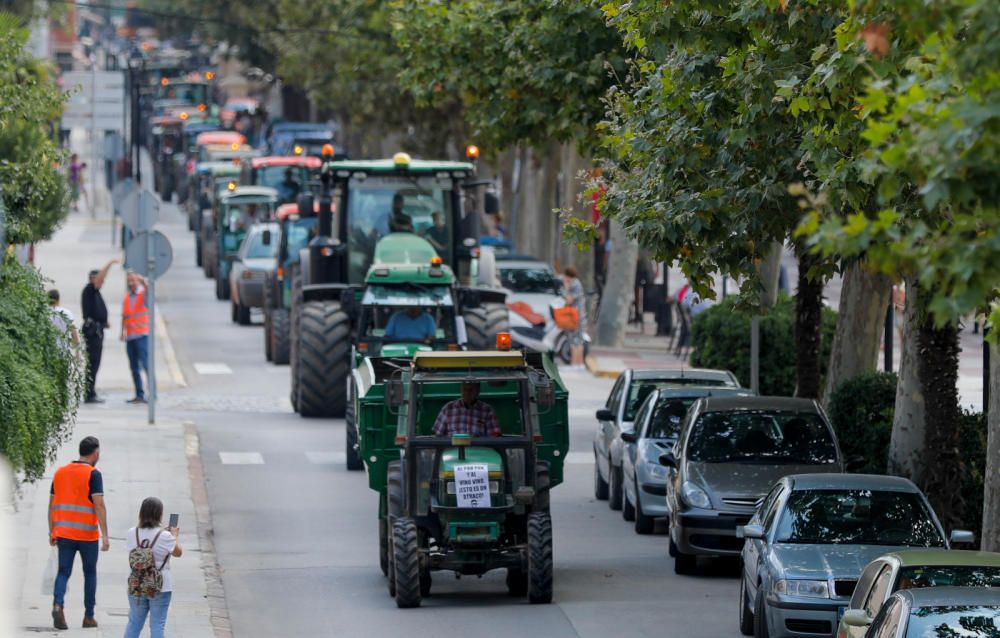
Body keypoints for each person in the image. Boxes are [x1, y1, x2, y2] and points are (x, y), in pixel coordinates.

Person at [49, 436, 109, 630]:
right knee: (90, 573)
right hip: (87, 536)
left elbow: (51, 506)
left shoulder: (60, 472)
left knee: (63, 572)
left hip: (64, 533)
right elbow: (99, 505)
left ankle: (58, 605)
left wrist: (52, 531)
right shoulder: (94, 474)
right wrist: (105, 535)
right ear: (95, 453)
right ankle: (89, 616)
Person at [123, 497, 183, 638]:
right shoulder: (166, 536)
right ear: (159, 514)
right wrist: (174, 536)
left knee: (134, 623)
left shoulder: (132, 532)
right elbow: (178, 552)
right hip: (160, 585)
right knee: (157, 624)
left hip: (137, 583)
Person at [82, 260, 117, 403]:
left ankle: (91, 390)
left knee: (95, 363)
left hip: (98, 330)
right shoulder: (89, 289)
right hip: (92, 332)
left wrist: (104, 322)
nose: (102, 282)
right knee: (92, 362)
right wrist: (109, 264)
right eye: (100, 280)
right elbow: (99, 279)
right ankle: (89, 393)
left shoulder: (95, 293)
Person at [121, 271, 150, 404]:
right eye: (129, 281)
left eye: (133, 280)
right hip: (131, 337)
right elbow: (125, 316)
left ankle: (152, 393)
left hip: (142, 335)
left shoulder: (142, 294)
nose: (131, 283)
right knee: (134, 368)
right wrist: (122, 331)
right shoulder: (127, 297)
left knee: (146, 365)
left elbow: (151, 293)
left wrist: (144, 282)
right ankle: (139, 394)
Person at [432, 382, 501, 437]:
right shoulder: (448, 408)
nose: (467, 393)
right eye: (465, 389)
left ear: (478, 391)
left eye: (471, 390)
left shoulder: (487, 410)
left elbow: (494, 437)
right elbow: (438, 435)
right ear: (461, 390)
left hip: (479, 452)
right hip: (452, 451)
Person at [562, 265, 587, 369]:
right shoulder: (577, 283)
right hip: (580, 316)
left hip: (575, 316)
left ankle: (574, 364)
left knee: (574, 341)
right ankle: (579, 364)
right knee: (579, 341)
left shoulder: (574, 285)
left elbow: (569, 300)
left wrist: (566, 288)